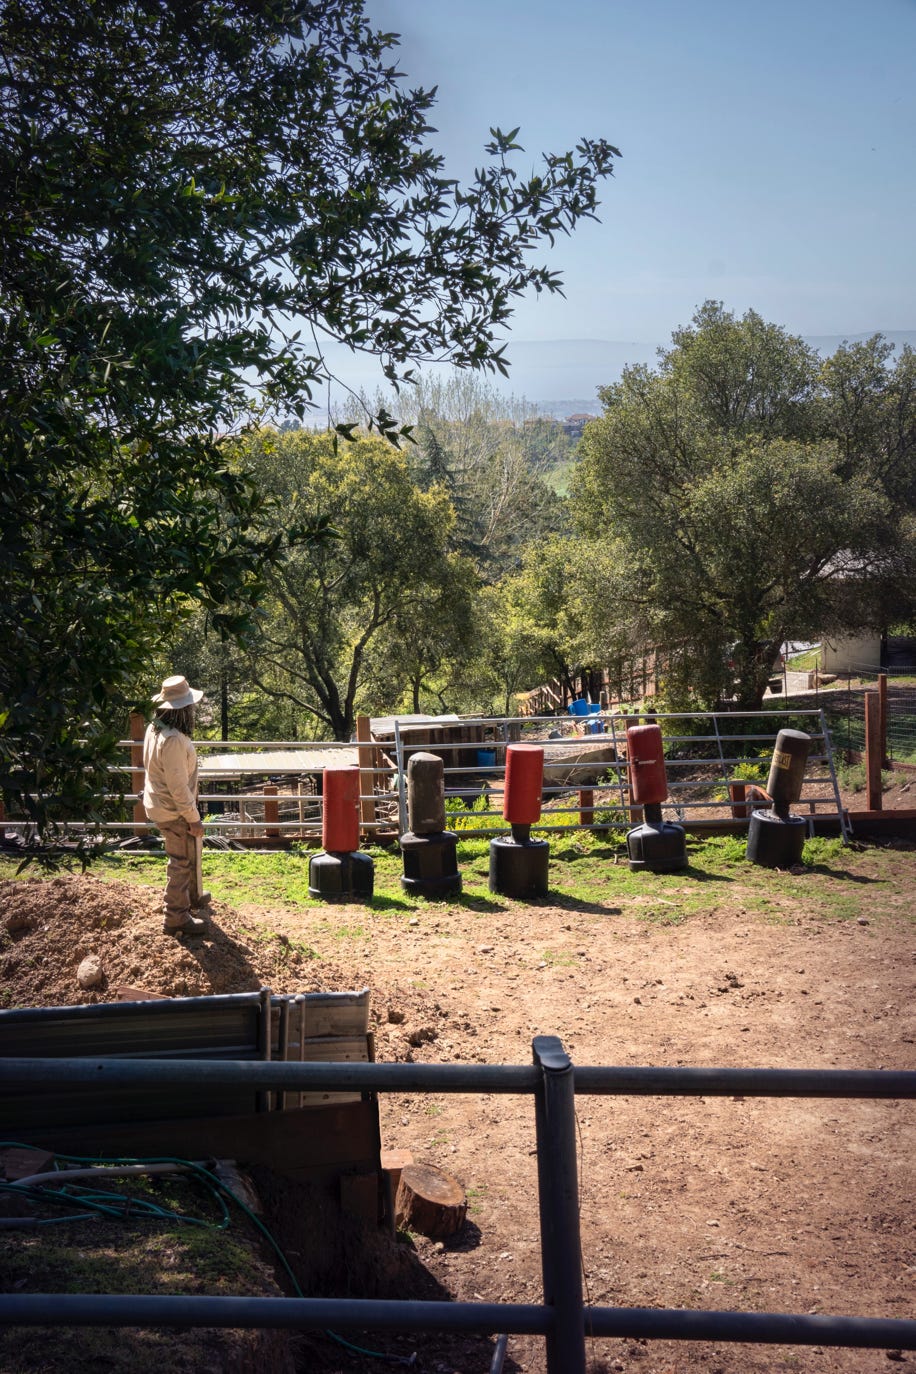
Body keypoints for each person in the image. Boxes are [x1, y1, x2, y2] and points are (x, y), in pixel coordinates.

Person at [142, 675, 211, 937]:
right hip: (173, 809)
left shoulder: (154, 728)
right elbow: (178, 787)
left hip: (161, 804)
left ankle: (191, 898)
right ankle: (176, 917)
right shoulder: (172, 740)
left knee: (186, 854)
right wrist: (193, 817)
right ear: (183, 709)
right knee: (180, 861)